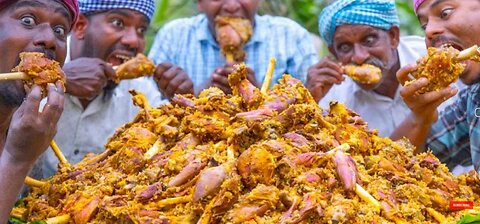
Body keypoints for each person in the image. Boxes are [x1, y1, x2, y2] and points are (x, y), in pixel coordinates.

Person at [42, 0, 165, 177]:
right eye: (118, 23)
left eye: (141, 30)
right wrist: (59, 79)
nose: (133, 41)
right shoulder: (39, 58)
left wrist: (181, 98)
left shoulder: (142, 93)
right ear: (80, 26)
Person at [306, 0, 443, 137]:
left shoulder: (435, 58)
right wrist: (308, 101)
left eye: (369, 40)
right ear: (334, 53)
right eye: (345, 47)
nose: (359, 57)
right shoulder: (332, 101)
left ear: (393, 36)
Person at [0, 0, 79, 221]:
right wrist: (16, 160)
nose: (50, 39)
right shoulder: (23, 146)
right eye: (28, 20)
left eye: (60, 30)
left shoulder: (29, 130)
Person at [148, 0, 318, 99]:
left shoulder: (291, 36)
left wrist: (259, 97)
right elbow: (145, 105)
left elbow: (308, 107)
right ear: (199, 2)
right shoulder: (173, 35)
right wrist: (196, 97)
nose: (231, 6)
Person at [391, 0, 480, 174]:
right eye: (424, 26)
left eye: (445, 13)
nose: (430, 31)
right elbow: (396, 164)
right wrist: (421, 116)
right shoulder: (473, 100)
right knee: (460, 204)